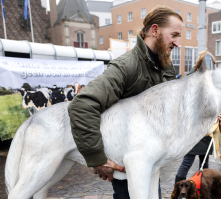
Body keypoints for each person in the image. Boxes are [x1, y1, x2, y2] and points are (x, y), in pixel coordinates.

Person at [68, 6, 184, 199]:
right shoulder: (126, 66)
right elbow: (82, 105)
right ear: (155, 30)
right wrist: (97, 159)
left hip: (151, 164)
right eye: (174, 35)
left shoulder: (165, 66)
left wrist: (210, 121)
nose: (177, 43)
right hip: (127, 170)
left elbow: (173, 109)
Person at [174, 51, 216, 184]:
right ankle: (177, 191)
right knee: (188, 161)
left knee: (204, 163)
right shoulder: (193, 81)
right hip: (194, 129)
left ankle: (202, 190)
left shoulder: (206, 80)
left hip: (205, 129)